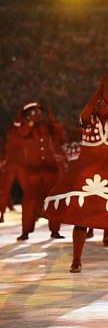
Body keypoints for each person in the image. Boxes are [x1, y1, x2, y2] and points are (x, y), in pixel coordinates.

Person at [43, 79, 108, 272]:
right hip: (89, 175)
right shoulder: (88, 121)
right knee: (82, 219)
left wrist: (107, 98)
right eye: (99, 104)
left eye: (106, 104)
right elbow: (85, 113)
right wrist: (98, 95)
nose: (103, 106)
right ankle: (76, 261)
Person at [15, 102, 64, 240]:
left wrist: (50, 118)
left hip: (50, 169)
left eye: (38, 112)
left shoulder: (47, 126)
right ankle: (26, 231)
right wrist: (30, 121)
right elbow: (23, 133)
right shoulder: (24, 127)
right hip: (33, 170)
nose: (37, 115)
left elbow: (59, 133)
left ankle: (55, 230)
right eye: (33, 112)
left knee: (53, 200)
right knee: (30, 202)